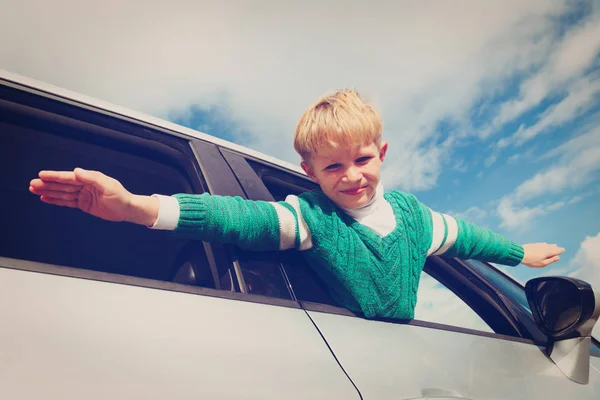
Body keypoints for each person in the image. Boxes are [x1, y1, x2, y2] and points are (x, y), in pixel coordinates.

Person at [29, 89, 564, 319]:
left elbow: (470, 238)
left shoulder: (417, 219)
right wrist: (137, 207)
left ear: (381, 153)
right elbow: (237, 217)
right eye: (332, 167)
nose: (352, 177)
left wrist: (522, 251)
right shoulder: (310, 217)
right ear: (310, 173)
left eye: (361, 159)